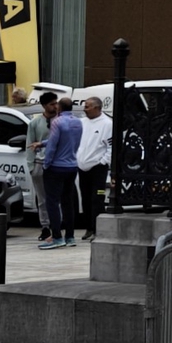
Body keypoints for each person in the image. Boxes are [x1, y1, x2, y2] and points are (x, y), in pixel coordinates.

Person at [38, 94, 82, 249]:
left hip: (56, 166)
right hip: (71, 165)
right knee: (68, 202)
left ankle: (57, 237)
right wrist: (42, 143)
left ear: (60, 107)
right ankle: (70, 236)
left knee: (52, 202)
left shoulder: (57, 122)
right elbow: (71, 141)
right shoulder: (78, 122)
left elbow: (53, 145)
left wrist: (46, 164)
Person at [75, 95, 112, 237]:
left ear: (96, 108)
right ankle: (89, 227)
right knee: (85, 198)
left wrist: (102, 162)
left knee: (97, 198)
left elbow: (111, 147)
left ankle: (98, 230)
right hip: (82, 167)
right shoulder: (82, 122)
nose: (84, 109)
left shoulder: (107, 124)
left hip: (98, 168)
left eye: (87, 106)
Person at [21, 88, 54, 226]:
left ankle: (57, 224)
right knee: (42, 199)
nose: (55, 106)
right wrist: (31, 167)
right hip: (39, 163)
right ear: (45, 106)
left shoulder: (60, 121)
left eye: (56, 103)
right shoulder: (35, 123)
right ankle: (45, 225)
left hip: (55, 164)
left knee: (56, 197)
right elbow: (29, 144)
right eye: (52, 104)